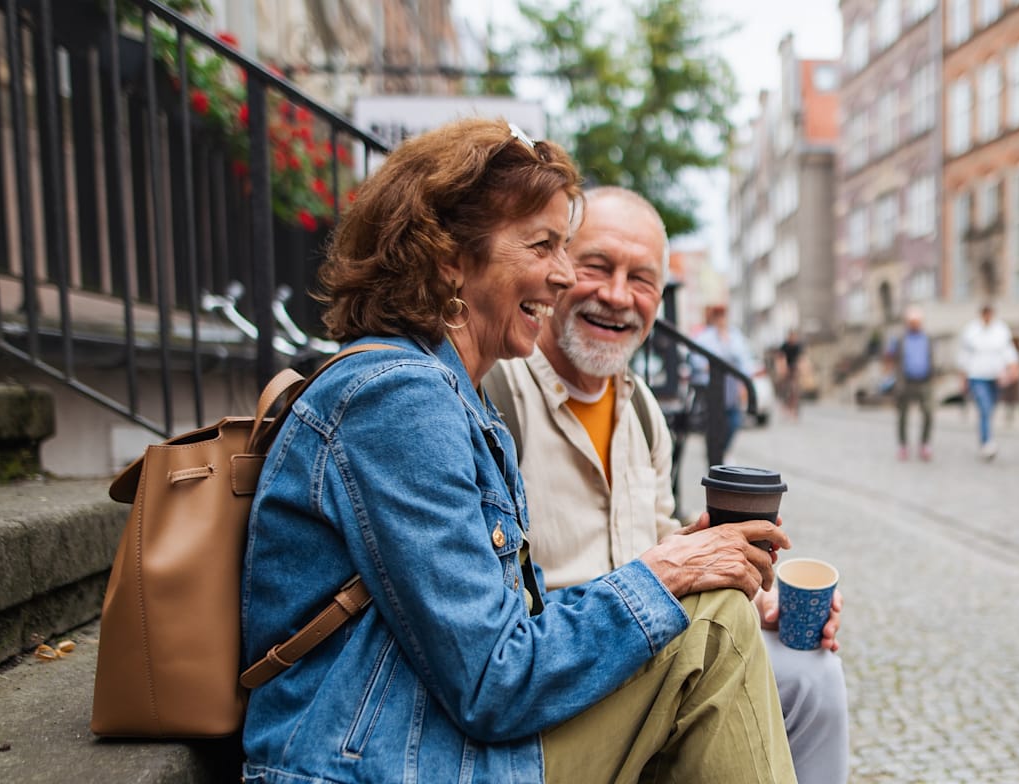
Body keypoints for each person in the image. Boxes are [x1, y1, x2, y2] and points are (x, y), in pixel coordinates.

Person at [240, 119, 796, 783]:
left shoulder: (447, 395)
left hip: (427, 738)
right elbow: (493, 680)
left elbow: (495, 640)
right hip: (382, 762)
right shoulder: (399, 402)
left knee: (725, 623)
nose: (563, 276)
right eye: (543, 246)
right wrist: (665, 572)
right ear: (449, 256)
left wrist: (680, 562)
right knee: (716, 630)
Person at [486, 186, 851, 784]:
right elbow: (488, 642)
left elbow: (656, 545)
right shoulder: (498, 396)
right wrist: (680, 577)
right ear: (553, 269)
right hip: (551, 685)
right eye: (596, 266)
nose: (616, 295)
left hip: (645, 656)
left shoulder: (643, 411)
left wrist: (761, 600)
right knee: (721, 646)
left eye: (642, 279)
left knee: (812, 672)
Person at [691, 302, 757, 467]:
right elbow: (697, 361)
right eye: (718, 316)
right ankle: (714, 458)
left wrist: (744, 384)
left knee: (734, 421)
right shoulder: (705, 337)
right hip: (712, 388)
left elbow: (744, 361)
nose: (721, 319)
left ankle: (722, 452)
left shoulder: (734, 336)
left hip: (731, 387)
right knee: (714, 426)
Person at [955, 303, 1019, 461]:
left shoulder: (1000, 330)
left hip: (995, 377)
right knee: (984, 407)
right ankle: (987, 443)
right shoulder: (971, 331)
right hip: (977, 376)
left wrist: (1014, 367)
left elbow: (1008, 351)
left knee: (989, 409)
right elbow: (964, 356)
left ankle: (986, 438)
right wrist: (962, 378)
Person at [885, 306, 935, 461]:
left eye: (917, 321)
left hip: (924, 380)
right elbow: (889, 357)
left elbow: (931, 357)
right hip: (905, 381)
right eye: (912, 322)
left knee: (928, 413)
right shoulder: (900, 339)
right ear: (907, 323)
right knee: (902, 415)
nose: (914, 324)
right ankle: (903, 445)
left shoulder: (927, 338)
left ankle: (924, 444)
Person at [777, 329, 805, 420]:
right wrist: (782, 369)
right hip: (786, 369)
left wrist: (801, 370)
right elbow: (781, 358)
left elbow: (801, 359)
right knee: (785, 389)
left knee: (795, 390)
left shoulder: (797, 346)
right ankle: (786, 405)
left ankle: (795, 409)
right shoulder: (785, 346)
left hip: (794, 369)